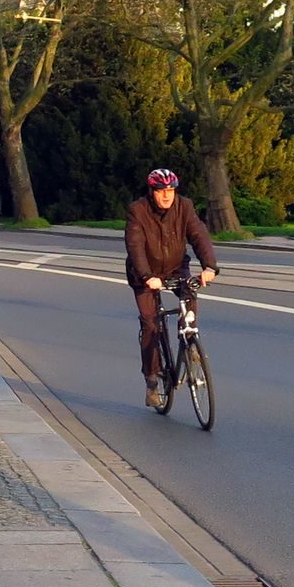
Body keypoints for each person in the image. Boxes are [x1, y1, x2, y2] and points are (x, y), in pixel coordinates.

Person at [123, 168, 219, 408]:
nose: (167, 196)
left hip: (176, 267)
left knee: (190, 292)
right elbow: (134, 246)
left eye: (171, 191)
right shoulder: (138, 211)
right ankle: (152, 381)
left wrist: (209, 266)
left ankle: (189, 338)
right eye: (162, 191)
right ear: (152, 191)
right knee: (150, 324)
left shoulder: (184, 206)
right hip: (144, 273)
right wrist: (146, 276)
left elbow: (199, 234)